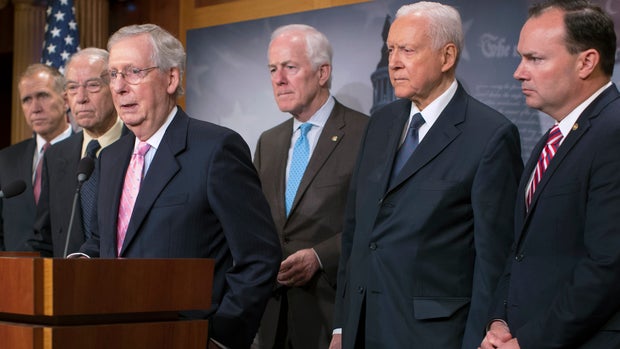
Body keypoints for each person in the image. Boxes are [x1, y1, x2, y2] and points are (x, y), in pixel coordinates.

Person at [330, 2, 523, 349]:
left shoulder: (491, 135)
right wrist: (342, 326)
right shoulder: (380, 123)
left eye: (407, 50)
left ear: (446, 57)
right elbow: (357, 232)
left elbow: (493, 260)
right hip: (360, 329)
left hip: (432, 337)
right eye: (390, 49)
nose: (394, 61)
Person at [76, 24, 281, 349]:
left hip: (187, 339)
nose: (118, 87)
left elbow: (259, 256)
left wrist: (219, 337)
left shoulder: (216, 149)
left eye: (133, 72)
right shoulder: (110, 157)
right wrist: (77, 265)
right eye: (112, 74)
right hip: (114, 334)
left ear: (171, 79)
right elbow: (107, 240)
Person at [480, 1, 620, 348]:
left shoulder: (615, 132)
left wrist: (528, 341)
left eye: (535, 59)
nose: (519, 72)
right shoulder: (554, 137)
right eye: (520, 57)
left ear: (586, 62)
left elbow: (607, 267)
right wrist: (499, 321)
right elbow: (521, 249)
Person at [254, 24, 368, 349]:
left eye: (290, 67)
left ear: (322, 73)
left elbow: (378, 223)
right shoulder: (268, 142)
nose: (278, 79)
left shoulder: (366, 134)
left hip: (331, 315)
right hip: (272, 316)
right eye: (273, 69)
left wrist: (320, 256)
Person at [30, 48, 125, 257]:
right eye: (72, 88)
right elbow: (44, 239)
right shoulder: (56, 156)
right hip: (68, 283)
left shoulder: (138, 146)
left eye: (92, 85)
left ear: (115, 87)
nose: (81, 98)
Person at [0, 64, 72, 251]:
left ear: (66, 100)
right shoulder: (6, 159)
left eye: (43, 96)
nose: (35, 108)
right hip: (14, 274)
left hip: (68, 272)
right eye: (27, 100)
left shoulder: (87, 154)